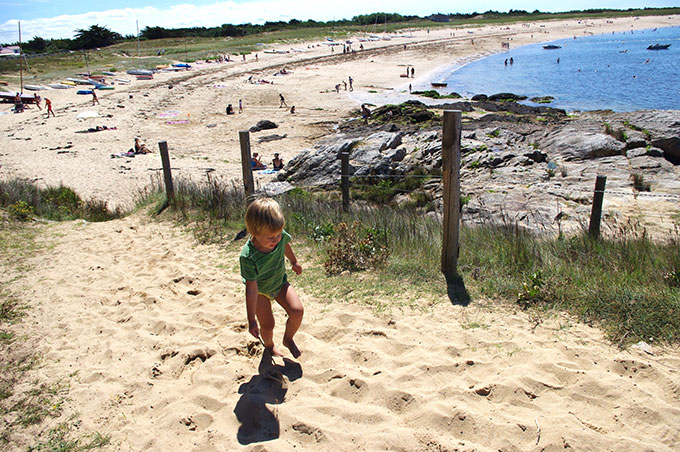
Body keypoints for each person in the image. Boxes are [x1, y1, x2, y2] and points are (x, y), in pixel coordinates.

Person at [240, 197, 303, 358]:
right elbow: (251, 289)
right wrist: (251, 319)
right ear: (254, 232)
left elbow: (285, 244)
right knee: (268, 326)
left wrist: (294, 261)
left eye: (278, 234)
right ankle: (270, 347)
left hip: (279, 283)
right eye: (270, 237)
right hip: (260, 291)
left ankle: (288, 339)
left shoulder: (278, 236)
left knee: (297, 311)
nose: (276, 239)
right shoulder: (248, 257)